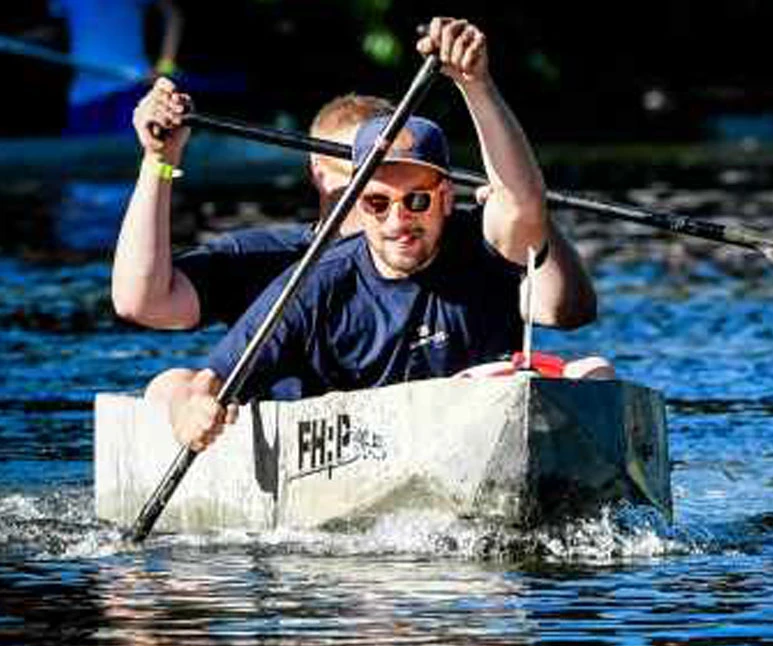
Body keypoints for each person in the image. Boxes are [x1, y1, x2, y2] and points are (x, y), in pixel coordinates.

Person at [150, 17, 608, 451]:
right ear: (356, 204)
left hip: (479, 426)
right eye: (377, 202)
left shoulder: (481, 245)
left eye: (417, 201)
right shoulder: (317, 280)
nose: (397, 220)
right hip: (359, 448)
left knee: (594, 373)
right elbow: (211, 378)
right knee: (170, 386)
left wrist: (475, 84)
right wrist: (195, 408)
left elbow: (523, 202)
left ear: (447, 197)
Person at [112, 82, 393, 330]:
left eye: (399, 172)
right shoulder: (264, 258)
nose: (385, 185)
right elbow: (141, 303)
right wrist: (159, 159)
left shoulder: (429, 254)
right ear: (319, 173)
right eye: (366, 169)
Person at [50, 0, 183, 135]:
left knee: (136, 153)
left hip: (130, 90)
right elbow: (54, 30)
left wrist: (165, 66)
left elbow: (172, 15)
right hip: (83, 97)